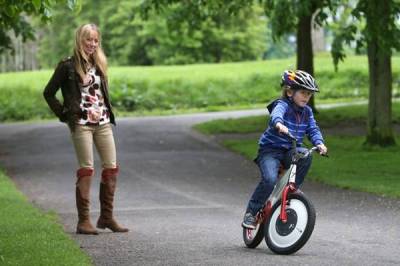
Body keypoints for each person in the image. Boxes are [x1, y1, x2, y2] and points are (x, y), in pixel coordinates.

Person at [43, 23, 128, 234]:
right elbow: (48, 92)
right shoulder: (67, 66)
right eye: (88, 39)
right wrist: (64, 115)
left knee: (111, 167)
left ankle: (106, 217)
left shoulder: (99, 63)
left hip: (103, 123)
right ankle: (84, 222)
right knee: (86, 168)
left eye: (96, 40)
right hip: (81, 124)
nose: (92, 44)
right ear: (80, 40)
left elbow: (100, 94)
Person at [242, 70, 328, 229]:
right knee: (269, 180)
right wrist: (279, 124)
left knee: (305, 155)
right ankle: (251, 213)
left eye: (309, 94)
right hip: (270, 151)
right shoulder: (282, 105)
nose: (306, 97)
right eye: (303, 92)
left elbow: (313, 129)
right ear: (289, 92)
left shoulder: (307, 112)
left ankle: (292, 190)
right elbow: (276, 115)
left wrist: (320, 143)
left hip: (291, 150)